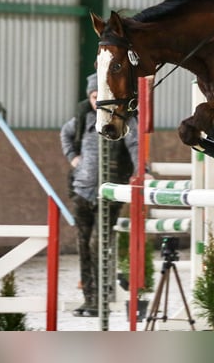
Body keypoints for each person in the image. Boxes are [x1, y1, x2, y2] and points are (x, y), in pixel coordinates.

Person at [60, 73, 138, 317]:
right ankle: (90, 299)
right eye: (94, 96)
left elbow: (135, 145)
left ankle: (102, 298)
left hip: (109, 191)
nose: (97, 101)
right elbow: (65, 134)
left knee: (98, 244)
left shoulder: (123, 119)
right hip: (81, 191)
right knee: (83, 246)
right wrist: (73, 158)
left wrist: (141, 171)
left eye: (101, 96)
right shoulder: (83, 117)